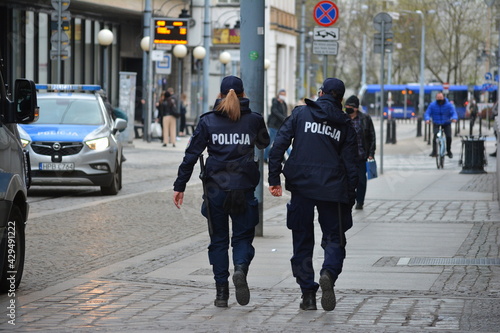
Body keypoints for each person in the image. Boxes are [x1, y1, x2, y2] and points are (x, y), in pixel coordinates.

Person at [173, 76, 270, 308]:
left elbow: (191, 155)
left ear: (220, 95)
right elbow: (264, 143)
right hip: (243, 188)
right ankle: (240, 268)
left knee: (218, 241)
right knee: (242, 237)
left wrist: (180, 186)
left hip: (215, 189)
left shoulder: (208, 121)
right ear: (243, 94)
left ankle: (221, 293)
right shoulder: (254, 120)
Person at [267, 78, 358, 312]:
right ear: (340, 99)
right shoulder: (345, 124)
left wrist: (274, 178)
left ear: (320, 93)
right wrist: (350, 196)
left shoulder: (300, 114)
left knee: (302, 241)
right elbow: (351, 164)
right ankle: (328, 272)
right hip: (333, 189)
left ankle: (308, 293)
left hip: (302, 187)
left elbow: (278, 145)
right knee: (335, 239)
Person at [344, 95, 376, 210]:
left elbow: (372, 136)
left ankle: (360, 201)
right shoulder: (343, 118)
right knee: (348, 180)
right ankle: (349, 199)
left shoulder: (365, 119)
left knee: (361, 181)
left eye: (349, 106)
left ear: (356, 108)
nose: (346, 108)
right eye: (346, 106)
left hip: (361, 156)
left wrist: (371, 152)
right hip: (347, 156)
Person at [424, 92, 458, 158]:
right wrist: (427, 119)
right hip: (436, 123)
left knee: (448, 136)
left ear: (443, 97)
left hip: (446, 123)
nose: (439, 99)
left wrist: (454, 118)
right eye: (438, 98)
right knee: (435, 136)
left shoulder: (449, 105)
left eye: (440, 97)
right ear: (436, 98)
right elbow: (427, 113)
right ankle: (434, 151)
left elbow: (453, 113)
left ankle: (448, 151)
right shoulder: (432, 105)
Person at [264, 89, 291, 162]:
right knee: (270, 142)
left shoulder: (284, 104)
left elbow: (285, 114)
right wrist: (283, 118)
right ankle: (265, 157)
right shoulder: (275, 102)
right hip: (274, 126)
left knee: (283, 142)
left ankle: (288, 156)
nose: (283, 96)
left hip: (281, 126)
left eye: (284, 94)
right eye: (281, 94)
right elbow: (275, 112)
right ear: (278, 94)